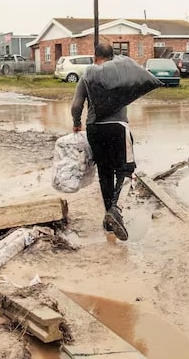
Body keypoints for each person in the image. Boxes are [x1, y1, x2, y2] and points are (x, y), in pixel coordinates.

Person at [71, 43, 134, 241]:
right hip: (118, 127)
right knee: (126, 170)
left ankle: (109, 218)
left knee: (105, 173)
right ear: (112, 56)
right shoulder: (122, 74)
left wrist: (76, 123)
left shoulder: (88, 75)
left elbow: (76, 105)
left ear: (94, 56)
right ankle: (116, 209)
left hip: (95, 128)